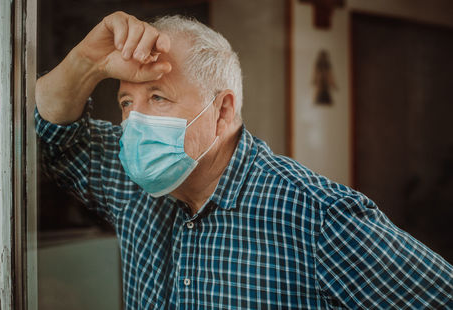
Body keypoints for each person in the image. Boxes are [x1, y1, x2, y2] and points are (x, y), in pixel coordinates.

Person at [35, 11, 452, 309]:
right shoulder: (133, 181)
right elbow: (54, 135)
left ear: (222, 111)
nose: (135, 121)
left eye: (158, 97)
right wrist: (86, 63)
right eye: (127, 102)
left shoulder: (318, 218)